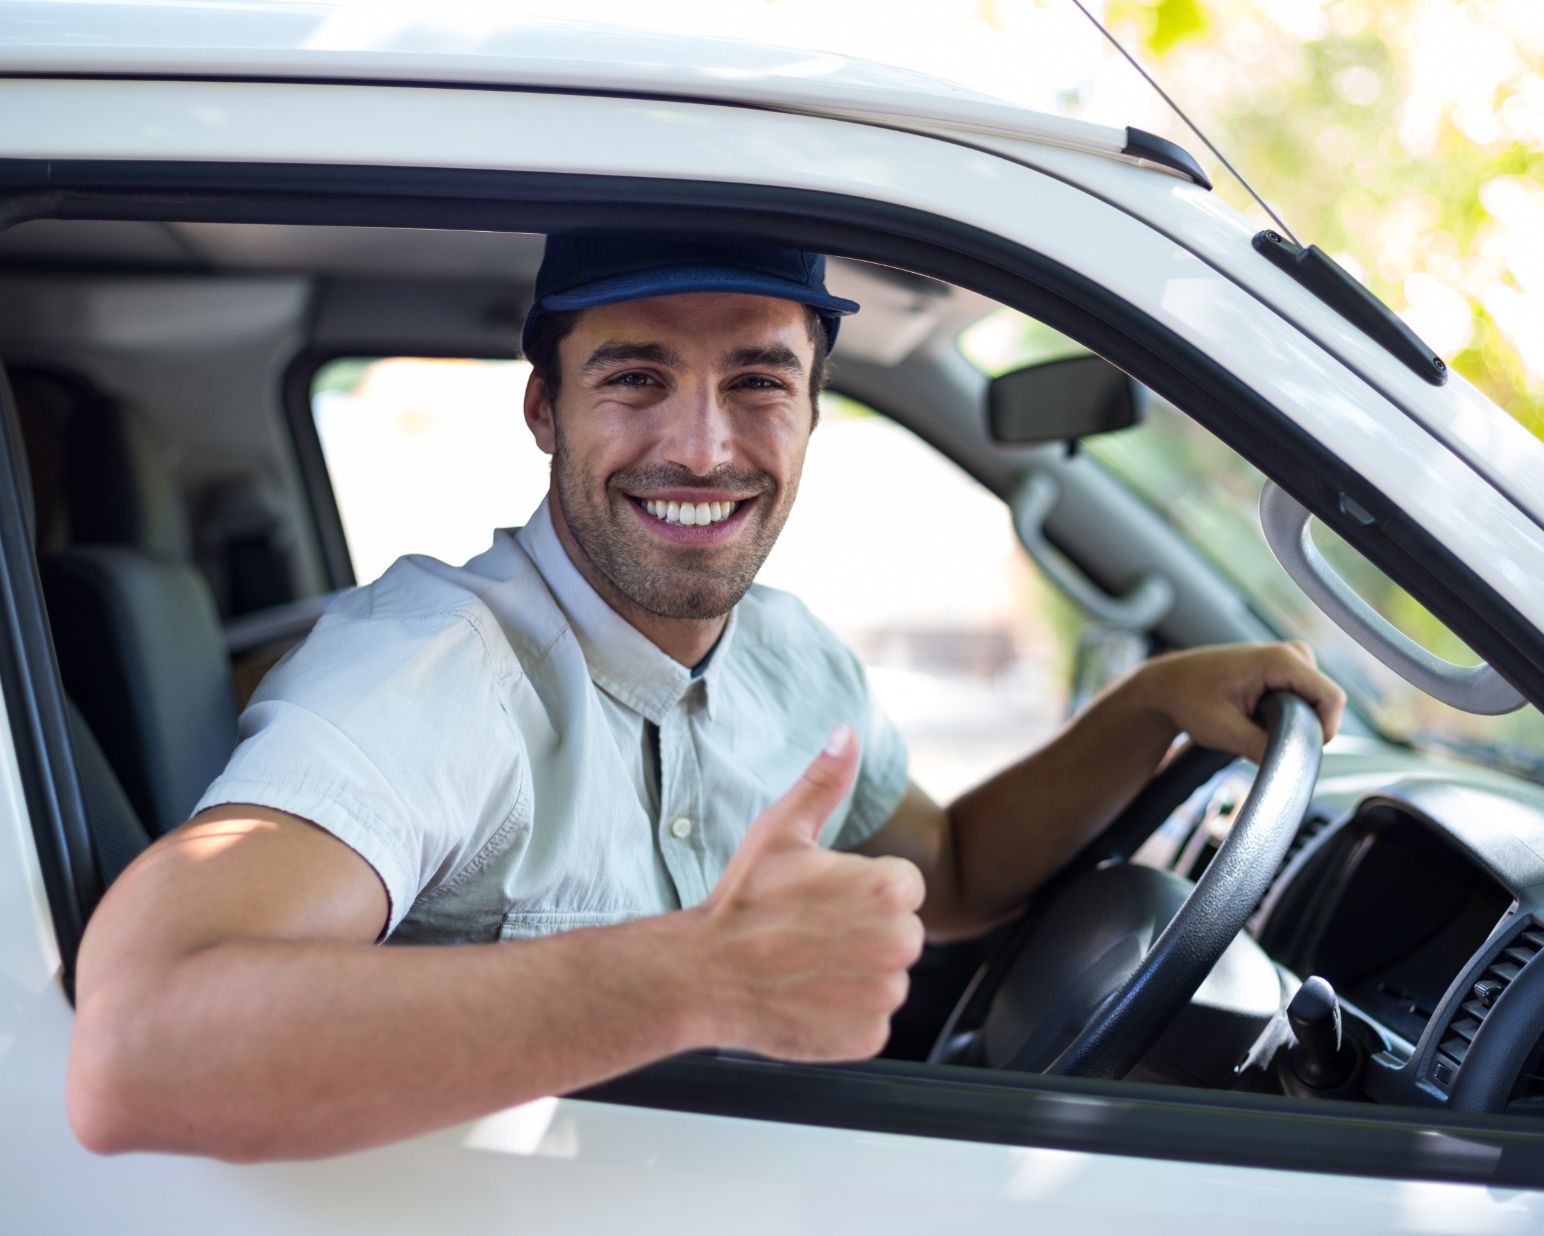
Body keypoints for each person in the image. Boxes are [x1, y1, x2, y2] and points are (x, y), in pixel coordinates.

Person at [65, 234, 1346, 1163]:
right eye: (632, 378)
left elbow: (947, 871)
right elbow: (142, 1047)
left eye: (755, 381)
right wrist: (697, 981)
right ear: (542, 409)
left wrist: (1145, 712)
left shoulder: (788, 653)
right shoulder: (435, 670)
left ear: (810, 409)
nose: (700, 445)